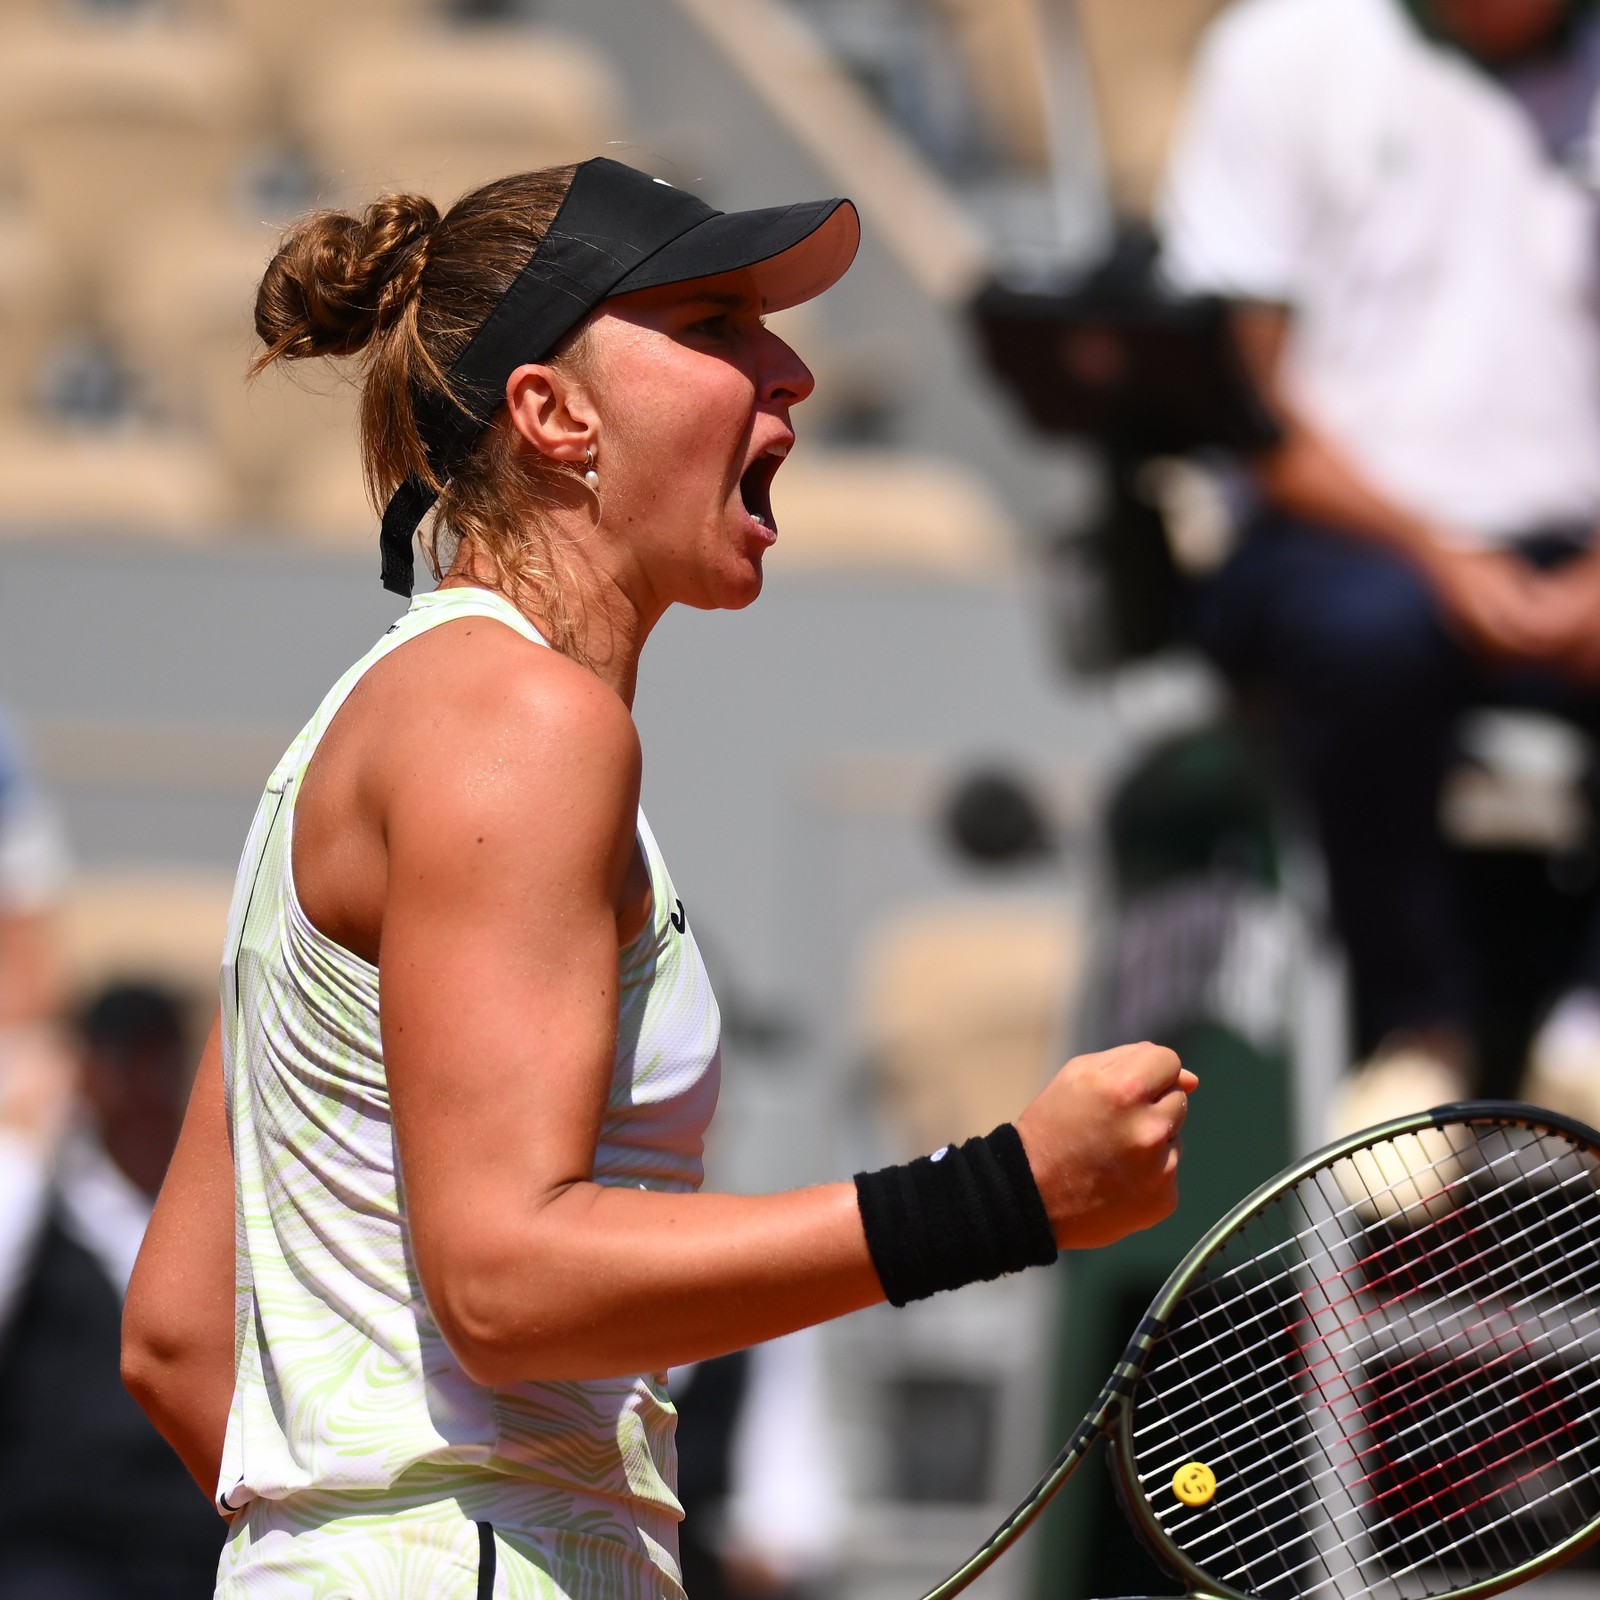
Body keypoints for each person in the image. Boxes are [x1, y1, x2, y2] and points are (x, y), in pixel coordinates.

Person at [120, 158, 1195, 1598]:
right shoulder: (523, 727)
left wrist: (378, 1552)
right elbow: (503, 1281)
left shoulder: (366, 732)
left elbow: (182, 1335)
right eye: (715, 329)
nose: (793, 371)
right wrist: (1009, 1194)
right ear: (555, 417)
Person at [1158, 0, 1600, 1129]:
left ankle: (1584, 1029)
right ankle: (1417, 1032)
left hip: (1569, 545)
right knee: (1370, 634)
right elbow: (1244, 394)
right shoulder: (1284, 52)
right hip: (1336, 540)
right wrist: (1440, 557)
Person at [0, 981, 225, 1599]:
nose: (145, 1090)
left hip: (192, 1541)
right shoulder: (36, 1204)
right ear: (89, 1074)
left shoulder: (216, 1214)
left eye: (163, 1063)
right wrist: (26, 1137)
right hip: (58, 1547)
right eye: (127, 1065)